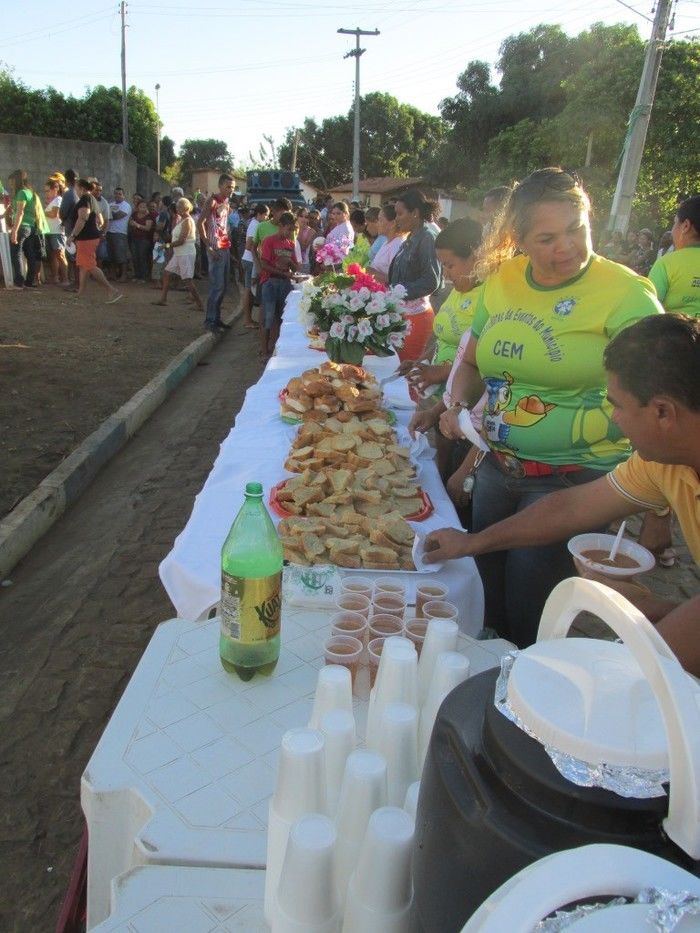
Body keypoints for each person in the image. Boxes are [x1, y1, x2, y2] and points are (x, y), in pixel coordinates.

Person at [436, 167, 664, 648]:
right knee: (484, 596)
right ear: (517, 238)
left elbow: (664, 400)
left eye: (576, 229)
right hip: (499, 468)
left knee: (529, 605)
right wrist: (455, 403)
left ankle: (521, 706)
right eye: (546, 238)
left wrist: (659, 506)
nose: (567, 247)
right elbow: (471, 359)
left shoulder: (626, 294)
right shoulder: (502, 281)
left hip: (575, 477)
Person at [425, 314, 700, 677]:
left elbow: (650, 670)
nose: (615, 419)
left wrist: (638, 634)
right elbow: (572, 507)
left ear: (663, 412)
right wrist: (472, 542)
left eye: (617, 404)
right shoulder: (663, 462)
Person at [402, 217, 484, 477]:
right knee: (434, 463)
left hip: (468, 403)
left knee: (450, 473)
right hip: (441, 396)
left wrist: (440, 372)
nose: (446, 274)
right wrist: (422, 361)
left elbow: (479, 360)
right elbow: (443, 337)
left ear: (476, 256)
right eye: (443, 266)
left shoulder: (490, 297)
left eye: (450, 265)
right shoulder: (458, 289)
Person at [389, 188, 442, 361]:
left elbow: (430, 280)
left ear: (415, 213)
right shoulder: (411, 237)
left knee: (407, 377)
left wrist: (398, 292)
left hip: (416, 319)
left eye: (400, 213)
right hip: (403, 315)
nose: (396, 218)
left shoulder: (427, 238)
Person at [66, 178, 122, 304]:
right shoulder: (92, 200)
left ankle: (111, 289)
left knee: (90, 266)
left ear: (81, 188)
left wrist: (72, 236)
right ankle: (80, 294)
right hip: (90, 237)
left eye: (76, 189)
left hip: (86, 238)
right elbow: (101, 220)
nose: (76, 191)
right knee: (84, 266)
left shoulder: (85, 200)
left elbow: (82, 218)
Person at [648, 195, 700, 318]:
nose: (672, 230)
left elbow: (648, 308)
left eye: (675, 222)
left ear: (685, 226)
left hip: (674, 334)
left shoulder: (667, 263)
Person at [197, 173, 234, 334]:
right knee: (216, 286)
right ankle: (210, 320)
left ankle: (216, 318)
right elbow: (200, 223)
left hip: (224, 246)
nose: (230, 190)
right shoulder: (211, 201)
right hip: (215, 247)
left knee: (223, 286)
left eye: (232, 187)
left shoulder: (226, 201)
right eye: (228, 187)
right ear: (220, 186)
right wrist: (208, 246)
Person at [258, 210, 297, 361]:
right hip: (270, 282)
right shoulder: (269, 241)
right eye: (288, 229)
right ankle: (264, 350)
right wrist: (283, 273)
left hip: (284, 283)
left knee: (281, 318)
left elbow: (295, 268)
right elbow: (264, 265)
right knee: (267, 317)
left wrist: (290, 263)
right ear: (281, 226)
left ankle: (274, 349)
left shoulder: (290, 244)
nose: (290, 233)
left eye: (292, 230)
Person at [153, 197, 202, 313]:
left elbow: (181, 240)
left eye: (179, 206)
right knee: (166, 273)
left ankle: (199, 303)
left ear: (185, 208)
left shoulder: (188, 221)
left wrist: (166, 246)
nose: (177, 208)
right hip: (180, 253)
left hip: (185, 253)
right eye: (177, 206)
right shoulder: (182, 220)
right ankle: (163, 299)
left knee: (187, 280)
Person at [8, 168, 41, 288]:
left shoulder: (21, 193)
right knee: (29, 254)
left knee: (15, 253)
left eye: (12, 183)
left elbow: (20, 213)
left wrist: (14, 231)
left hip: (22, 227)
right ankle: (29, 281)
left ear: (17, 181)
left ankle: (19, 281)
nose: (11, 186)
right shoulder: (30, 192)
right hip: (31, 227)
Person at [241, 202, 268, 328]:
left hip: (251, 260)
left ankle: (249, 319)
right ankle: (247, 320)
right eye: (265, 215)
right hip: (250, 260)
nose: (267, 218)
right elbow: (248, 245)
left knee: (250, 290)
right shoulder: (255, 225)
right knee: (248, 290)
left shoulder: (255, 224)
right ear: (259, 214)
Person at [368, 203, 405, 284]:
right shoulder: (387, 242)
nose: (377, 224)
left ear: (392, 223)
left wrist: (370, 272)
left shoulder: (398, 245)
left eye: (380, 220)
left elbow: (397, 280)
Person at [43, 176, 68, 285]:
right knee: (53, 256)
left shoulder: (59, 199)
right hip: (50, 231)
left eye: (48, 191)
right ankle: (55, 278)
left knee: (60, 255)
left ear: (55, 190)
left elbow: (54, 214)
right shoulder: (51, 201)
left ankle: (65, 279)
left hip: (57, 232)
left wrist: (41, 213)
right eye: (45, 191)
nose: (46, 193)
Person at [107, 187, 132, 281]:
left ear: (123, 195)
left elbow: (118, 215)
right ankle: (112, 275)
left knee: (121, 256)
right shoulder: (110, 204)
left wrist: (109, 215)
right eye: (116, 193)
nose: (117, 195)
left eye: (120, 194)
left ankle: (124, 276)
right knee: (111, 256)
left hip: (120, 233)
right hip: (109, 232)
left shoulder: (126, 205)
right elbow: (105, 215)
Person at [128, 200, 154, 282]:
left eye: (144, 207)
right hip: (134, 238)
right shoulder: (134, 214)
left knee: (142, 257)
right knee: (135, 257)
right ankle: (137, 275)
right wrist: (132, 224)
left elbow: (148, 228)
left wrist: (137, 225)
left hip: (144, 240)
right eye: (141, 207)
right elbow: (130, 222)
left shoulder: (148, 216)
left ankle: (144, 276)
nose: (143, 208)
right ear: (137, 207)